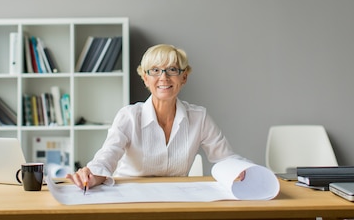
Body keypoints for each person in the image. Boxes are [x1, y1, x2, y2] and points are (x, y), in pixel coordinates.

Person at [66, 44, 247, 190]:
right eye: (155, 70)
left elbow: (225, 158)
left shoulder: (199, 117)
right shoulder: (129, 116)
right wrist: (91, 176)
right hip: (130, 199)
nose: (164, 77)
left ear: (184, 77)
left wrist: (241, 171)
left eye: (172, 70)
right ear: (145, 78)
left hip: (175, 201)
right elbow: (106, 158)